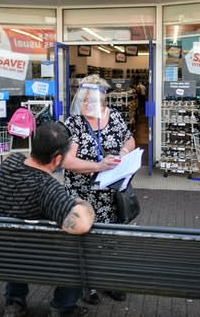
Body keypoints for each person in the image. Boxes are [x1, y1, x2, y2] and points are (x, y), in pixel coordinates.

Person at [0, 122, 96, 317]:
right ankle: (63, 307)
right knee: (78, 251)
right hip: (35, 261)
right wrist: (83, 204)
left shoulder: (10, 162)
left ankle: (14, 303)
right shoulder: (47, 187)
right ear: (57, 159)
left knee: (15, 240)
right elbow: (81, 224)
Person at [62, 74, 136, 304]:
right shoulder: (73, 123)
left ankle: (109, 281)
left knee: (111, 240)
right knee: (85, 241)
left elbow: (130, 140)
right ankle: (88, 286)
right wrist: (98, 165)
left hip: (111, 195)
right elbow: (66, 161)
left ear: (103, 100)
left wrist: (123, 155)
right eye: (82, 100)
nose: (86, 104)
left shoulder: (113, 116)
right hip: (82, 197)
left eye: (90, 100)